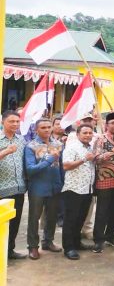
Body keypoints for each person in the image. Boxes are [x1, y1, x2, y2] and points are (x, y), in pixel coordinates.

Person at [25, 119, 64, 259]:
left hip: (55, 185)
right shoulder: (31, 146)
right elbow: (30, 170)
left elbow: (61, 166)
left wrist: (62, 182)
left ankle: (48, 241)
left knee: (52, 216)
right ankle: (33, 246)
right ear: (36, 130)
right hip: (38, 187)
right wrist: (48, 160)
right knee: (34, 218)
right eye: (43, 127)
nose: (47, 130)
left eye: (49, 127)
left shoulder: (58, 144)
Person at [61, 124, 97, 260]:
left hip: (87, 189)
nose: (88, 135)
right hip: (73, 189)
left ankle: (76, 242)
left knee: (80, 219)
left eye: (90, 132)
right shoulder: (72, 147)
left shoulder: (90, 148)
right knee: (70, 220)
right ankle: (68, 248)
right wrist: (84, 159)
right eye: (85, 133)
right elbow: (66, 166)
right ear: (77, 134)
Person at [92, 112, 114, 253]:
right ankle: (98, 240)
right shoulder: (100, 139)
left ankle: (111, 236)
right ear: (107, 125)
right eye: (113, 123)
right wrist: (112, 151)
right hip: (104, 180)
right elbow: (96, 159)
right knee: (102, 211)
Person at [0, 111, 27, 260]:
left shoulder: (21, 140)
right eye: (12, 121)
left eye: (17, 121)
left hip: (19, 188)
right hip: (2, 189)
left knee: (15, 222)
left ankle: (9, 251)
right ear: (3, 122)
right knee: (1, 222)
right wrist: (5, 152)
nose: (15, 124)